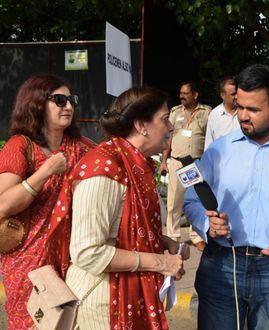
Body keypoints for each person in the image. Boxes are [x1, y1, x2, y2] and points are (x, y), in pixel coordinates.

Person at [184, 64, 269, 330]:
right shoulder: (219, 150)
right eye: (240, 106)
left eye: (253, 109)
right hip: (221, 266)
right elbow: (191, 198)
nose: (243, 116)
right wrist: (206, 223)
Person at [47, 86, 186, 329]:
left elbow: (124, 229)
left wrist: (162, 241)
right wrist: (160, 262)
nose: (171, 127)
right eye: (164, 119)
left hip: (127, 297)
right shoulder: (106, 168)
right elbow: (88, 251)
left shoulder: (134, 164)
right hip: (102, 305)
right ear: (142, 125)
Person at [0, 74, 94, 329]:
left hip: (73, 256)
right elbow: (4, 205)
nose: (69, 107)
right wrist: (45, 172)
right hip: (28, 262)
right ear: (37, 103)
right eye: (60, 100)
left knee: (69, 323)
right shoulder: (20, 147)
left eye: (71, 100)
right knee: (31, 323)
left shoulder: (82, 147)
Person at [160, 81, 211, 251]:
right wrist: (163, 162)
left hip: (195, 163)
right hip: (176, 162)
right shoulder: (174, 112)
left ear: (195, 95)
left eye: (186, 93)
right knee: (174, 203)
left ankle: (196, 236)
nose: (181, 96)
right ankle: (173, 236)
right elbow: (168, 138)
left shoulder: (206, 113)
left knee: (196, 201)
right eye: (180, 93)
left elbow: (211, 138)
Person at [204, 77, 239, 149]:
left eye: (237, 93)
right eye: (233, 94)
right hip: (221, 159)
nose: (236, 96)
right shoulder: (215, 114)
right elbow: (209, 142)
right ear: (223, 95)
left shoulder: (245, 112)